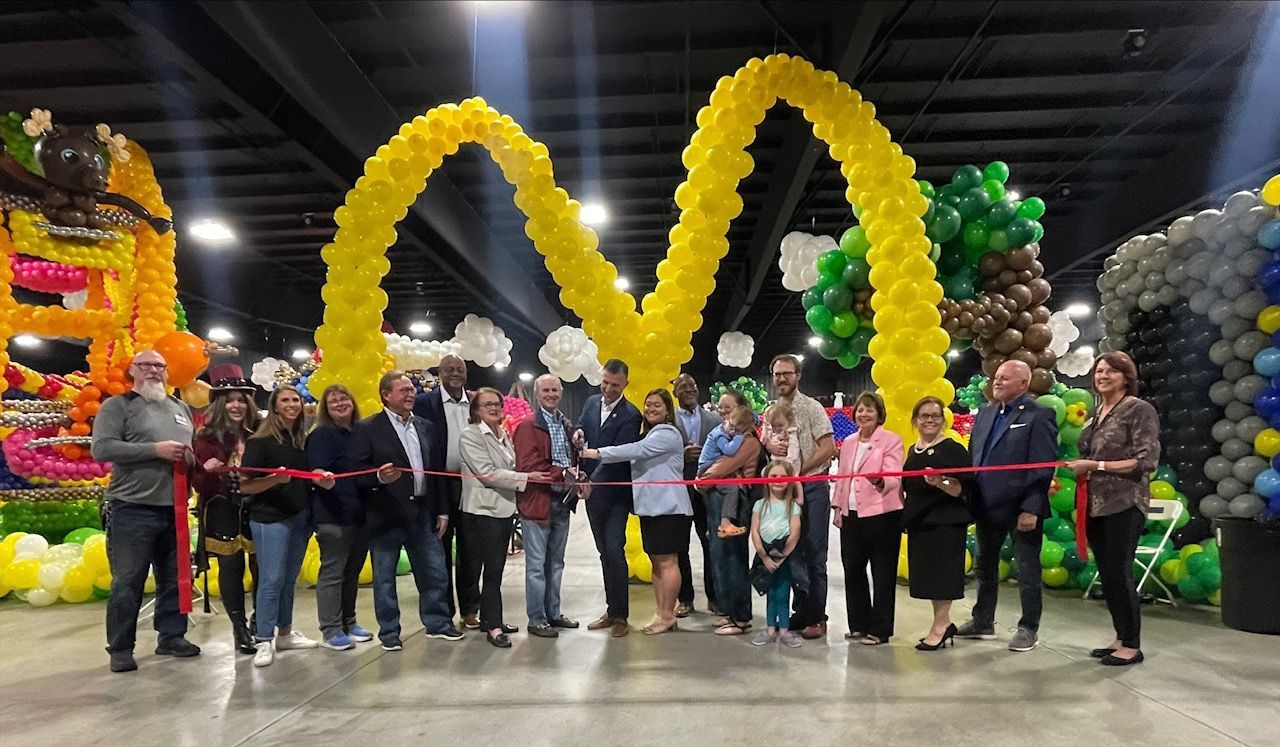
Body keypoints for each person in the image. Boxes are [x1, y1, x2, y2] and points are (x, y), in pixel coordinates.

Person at [91, 349, 202, 673]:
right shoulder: (117, 406)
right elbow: (102, 448)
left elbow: (187, 450)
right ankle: (121, 648)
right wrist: (155, 450)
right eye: (146, 365)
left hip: (175, 508)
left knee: (175, 578)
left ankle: (171, 636)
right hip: (132, 509)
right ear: (133, 370)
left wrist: (189, 458)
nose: (154, 370)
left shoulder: (180, 407)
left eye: (159, 366)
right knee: (128, 581)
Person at [348, 371, 464, 652]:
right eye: (403, 390)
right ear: (386, 395)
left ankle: (437, 623)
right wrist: (378, 478)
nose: (411, 394)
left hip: (423, 512)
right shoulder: (368, 428)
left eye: (411, 390)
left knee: (434, 572)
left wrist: (443, 511)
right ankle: (389, 631)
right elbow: (357, 473)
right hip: (385, 515)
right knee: (385, 579)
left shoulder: (425, 426)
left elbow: (435, 474)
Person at [1066, 351, 1160, 666]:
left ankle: (1132, 644)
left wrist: (1096, 464)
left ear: (1126, 377)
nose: (1102, 376)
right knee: (1107, 574)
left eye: (1111, 371)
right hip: (1094, 504)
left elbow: (1145, 461)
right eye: (1099, 371)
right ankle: (1120, 636)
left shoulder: (1139, 410)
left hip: (1125, 501)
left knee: (1119, 571)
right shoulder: (1096, 413)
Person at [959, 360, 1058, 652]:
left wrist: (1031, 507)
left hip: (1021, 508)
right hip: (986, 506)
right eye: (996, 377)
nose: (997, 382)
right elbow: (974, 458)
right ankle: (983, 621)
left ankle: (1029, 627)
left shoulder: (1039, 415)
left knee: (1027, 570)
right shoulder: (986, 414)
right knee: (984, 566)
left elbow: (1042, 465)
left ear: (1023, 384)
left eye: (1005, 378)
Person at [582, 388, 690, 635]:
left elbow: (635, 450)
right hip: (652, 509)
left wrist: (597, 453)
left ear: (667, 411)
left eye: (657, 405)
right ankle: (662, 613)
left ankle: (667, 615)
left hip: (668, 508)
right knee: (657, 563)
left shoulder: (667, 432)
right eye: (648, 404)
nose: (651, 408)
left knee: (667, 562)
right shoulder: (651, 433)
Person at [240, 384, 334, 667]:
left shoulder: (301, 440)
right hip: (270, 519)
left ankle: (284, 632)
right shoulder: (260, 442)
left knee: (289, 579)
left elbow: (306, 474)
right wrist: (273, 480)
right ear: (275, 405)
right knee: (271, 580)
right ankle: (263, 639)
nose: (292, 404)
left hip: (299, 517)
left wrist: (319, 477)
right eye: (285, 400)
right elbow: (246, 485)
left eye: (295, 399)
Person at [459, 387, 552, 648]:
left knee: (496, 571)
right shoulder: (470, 435)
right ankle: (494, 627)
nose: (493, 408)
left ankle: (491, 618)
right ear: (475, 409)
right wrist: (527, 478)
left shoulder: (503, 434)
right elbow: (487, 474)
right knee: (490, 572)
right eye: (487, 404)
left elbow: (509, 466)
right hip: (483, 513)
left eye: (497, 404)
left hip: (504, 511)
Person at [764, 354, 836, 639]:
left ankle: (817, 617)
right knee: (790, 552)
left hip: (813, 487)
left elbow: (828, 447)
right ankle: (801, 612)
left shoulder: (811, 407)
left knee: (815, 553)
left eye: (787, 373)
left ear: (798, 376)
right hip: (783, 494)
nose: (782, 378)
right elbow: (766, 446)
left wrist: (797, 473)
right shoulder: (772, 411)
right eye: (777, 373)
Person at [191, 372, 262, 656]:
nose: (236, 405)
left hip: (257, 506)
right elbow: (197, 480)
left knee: (261, 565)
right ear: (220, 404)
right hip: (222, 506)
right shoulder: (206, 436)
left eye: (241, 400)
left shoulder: (260, 431)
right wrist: (205, 471)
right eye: (230, 400)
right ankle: (239, 627)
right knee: (231, 567)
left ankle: (260, 619)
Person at [573, 360, 641, 637]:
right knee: (604, 553)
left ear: (625, 384)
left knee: (614, 549)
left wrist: (592, 484)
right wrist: (577, 432)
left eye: (615, 384)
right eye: (605, 382)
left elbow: (615, 457)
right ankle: (611, 610)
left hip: (614, 494)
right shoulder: (590, 403)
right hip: (591, 494)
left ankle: (621, 616)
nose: (609, 389)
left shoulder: (631, 415)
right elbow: (582, 426)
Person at [831, 391, 904, 645]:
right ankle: (859, 624)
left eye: (870, 410)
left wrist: (881, 480)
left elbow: (895, 476)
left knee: (882, 574)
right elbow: (842, 476)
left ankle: (880, 629)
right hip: (851, 515)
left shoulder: (891, 440)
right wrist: (837, 507)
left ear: (879, 414)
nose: (864, 414)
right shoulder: (849, 442)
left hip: (882, 515)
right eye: (860, 409)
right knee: (853, 570)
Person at [514, 374, 583, 638]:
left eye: (555, 390)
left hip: (562, 503)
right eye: (546, 390)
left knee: (556, 563)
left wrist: (577, 475)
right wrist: (563, 473)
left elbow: (571, 459)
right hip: (537, 504)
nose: (551, 394)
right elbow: (527, 466)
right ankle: (537, 619)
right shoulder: (527, 425)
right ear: (536, 393)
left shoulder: (565, 424)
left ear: (561, 392)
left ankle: (553, 613)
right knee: (536, 565)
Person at [901, 396, 973, 651]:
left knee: (943, 576)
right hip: (921, 523)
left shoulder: (954, 449)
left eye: (935, 416)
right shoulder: (913, 450)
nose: (929, 420)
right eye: (924, 416)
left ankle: (941, 626)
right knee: (929, 577)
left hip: (946, 522)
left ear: (943, 420)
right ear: (916, 421)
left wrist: (940, 482)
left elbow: (963, 490)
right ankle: (942, 623)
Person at [305, 384, 374, 651]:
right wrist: (321, 478)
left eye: (344, 397)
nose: (340, 403)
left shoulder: (359, 432)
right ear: (325, 407)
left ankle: (349, 621)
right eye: (333, 400)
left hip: (359, 513)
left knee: (352, 572)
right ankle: (331, 628)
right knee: (333, 571)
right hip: (332, 515)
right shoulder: (322, 434)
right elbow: (315, 470)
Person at [413, 354, 476, 627]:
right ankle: (444, 613)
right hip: (439, 487)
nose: (455, 373)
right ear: (439, 373)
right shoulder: (424, 404)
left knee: (470, 551)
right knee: (439, 554)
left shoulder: (475, 402)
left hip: (473, 485)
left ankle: (470, 610)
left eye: (459, 369)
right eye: (449, 369)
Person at [700, 389, 761, 636]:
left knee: (734, 557)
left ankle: (740, 616)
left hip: (737, 502)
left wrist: (703, 478)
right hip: (718, 499)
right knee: (720, 555)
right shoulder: (725, 436)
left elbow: (718, 470)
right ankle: (727, 611)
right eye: (721, 409)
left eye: (729, 409)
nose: (724, 413)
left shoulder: (748, 441)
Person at [672, 373, 720, 617]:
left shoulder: (714, 419)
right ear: (674, 393)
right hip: (678, 490)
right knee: (680, 546)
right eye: (683, 386)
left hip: (707, 492)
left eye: (692, 385)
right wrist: (682, 454)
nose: (689, 389)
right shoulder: (667, 421)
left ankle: (714, 598)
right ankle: (686, 599)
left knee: (710, 544)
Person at [749, 459, 804, 648]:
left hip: (784, 557)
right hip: (765, 555)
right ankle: (770, 629)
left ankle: (785, 630)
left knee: (783, 594)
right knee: (770, 593)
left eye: (783, 477)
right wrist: (763, 556)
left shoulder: (793, 506)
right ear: (766, 479)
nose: (778, 480)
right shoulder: (759, 505)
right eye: (773, 476)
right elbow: (754, 531)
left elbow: (795, 532)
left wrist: (781, 557)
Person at [698, 405, 754, 538]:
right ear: (726, 420)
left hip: (710, 467)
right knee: (731, 489)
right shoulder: (719, 434)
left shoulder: (725, 431)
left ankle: (712, 527)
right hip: (707, 468)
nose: (734, 432)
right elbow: (729, 450)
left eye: (738, 430)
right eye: (733, 427)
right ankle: (725, 524)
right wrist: (740, 437)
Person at [762, 401, 801, 471]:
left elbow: (794, 451)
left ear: (789, 422)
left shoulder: (791, 435)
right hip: (775, 463)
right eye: (774, 426)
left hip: (789, 466)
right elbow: (764, 441)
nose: (777, 428)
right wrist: (767, 442)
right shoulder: (773, 433)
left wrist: (788, 462)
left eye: (780, 425)